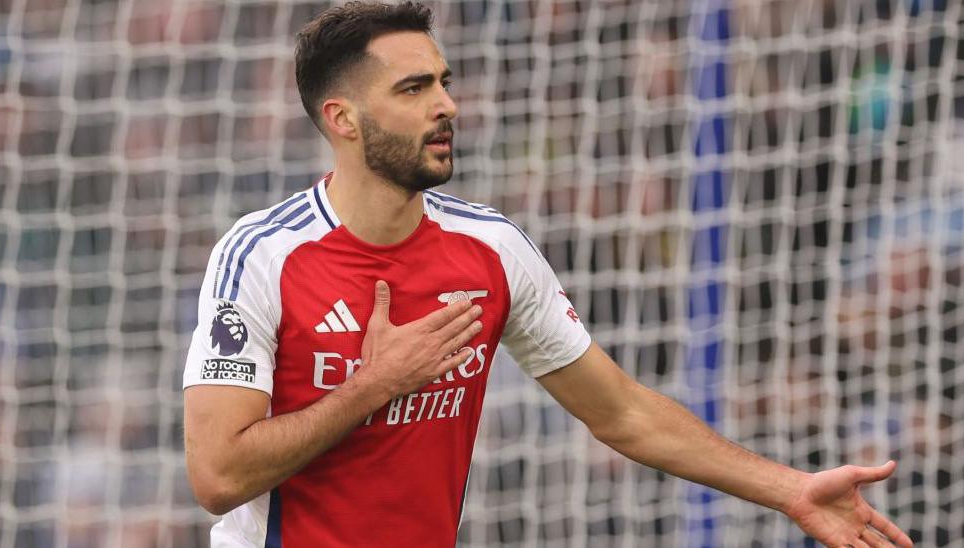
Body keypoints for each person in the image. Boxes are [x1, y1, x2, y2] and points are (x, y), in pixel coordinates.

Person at [182, 2, 913, 547]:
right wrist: (374, 386)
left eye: (443, 81)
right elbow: (218, 477)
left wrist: (791, 491)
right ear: (342, 119)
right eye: (413, 90)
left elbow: (620, 411)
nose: (446, 106)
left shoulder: (491, 248)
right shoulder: (263, 255)